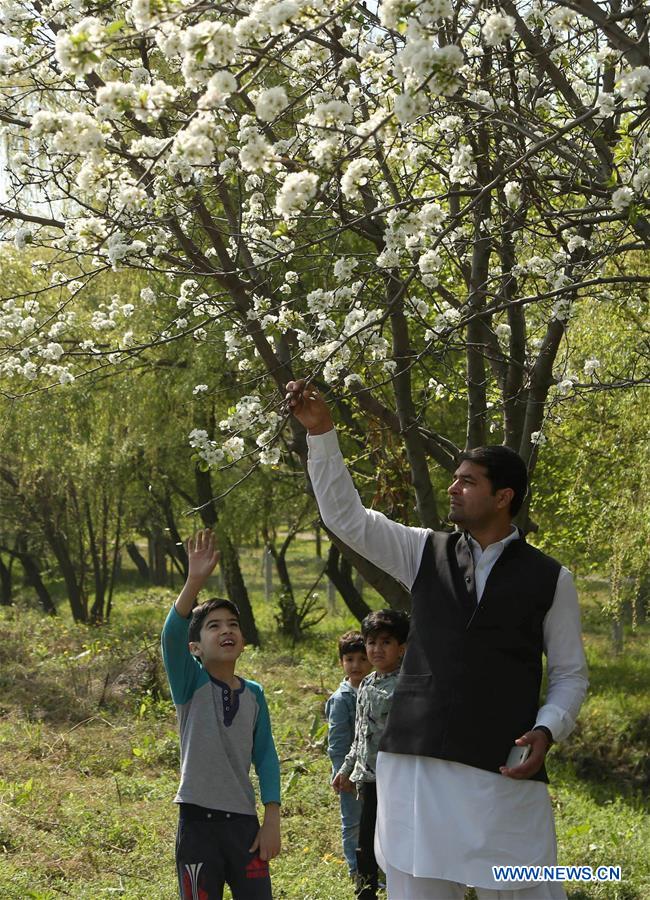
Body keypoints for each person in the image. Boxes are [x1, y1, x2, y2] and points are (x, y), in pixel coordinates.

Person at [286, 379, 589, 900]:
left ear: (503, 496)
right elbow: (346, 519)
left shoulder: (550, 578)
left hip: (501, 765)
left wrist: (548, 728)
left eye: (468, 481)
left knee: (525, 887)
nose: (452, 488)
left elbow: (569, 673)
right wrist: (322, 435)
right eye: (453, 479)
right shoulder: (424, 551)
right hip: (414, 763)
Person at [161, 529, 281, 900]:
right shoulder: (189, 685)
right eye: (214, 626)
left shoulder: (255, 695)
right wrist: (194, 581)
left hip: (244, 826)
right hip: (197, 824)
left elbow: (266, 758)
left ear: (243, 640)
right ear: (194, 647)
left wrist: (271, 820)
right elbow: (170, 636)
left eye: (233, 624)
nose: (226, 630)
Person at [333, 610, 409, 900]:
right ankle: (365, 891)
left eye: (385, 642)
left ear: (401, 648)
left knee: (396, 839)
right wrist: (346, 768)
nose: (376, 649)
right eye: (371, 642)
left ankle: (403, 890)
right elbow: (360, 734)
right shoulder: (365, 683)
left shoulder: (407, 685)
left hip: (396, 778)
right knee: (365, 839)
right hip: (368, 778)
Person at [325, 630, 373, 877]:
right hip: (349, 775)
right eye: (350, 659)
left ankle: (373, 868)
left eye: (362, 659)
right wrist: (343, 775)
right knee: (353, 823)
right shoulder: (342, 698)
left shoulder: (374, 689)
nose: (356, 665)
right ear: (341, 662)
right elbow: (337, 743)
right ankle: (357, 872)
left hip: (371, 771)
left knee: (373, 820)